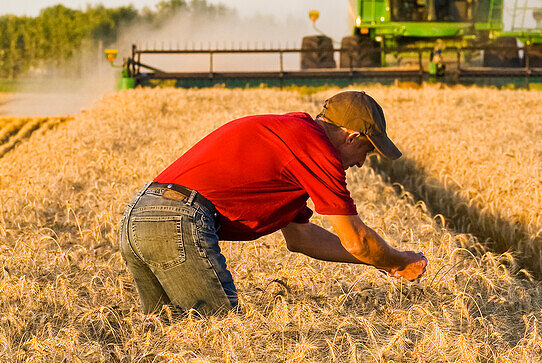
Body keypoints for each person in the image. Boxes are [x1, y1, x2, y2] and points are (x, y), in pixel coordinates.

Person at [119, 90, 427, 315]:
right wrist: (398, 261)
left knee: (169, 337)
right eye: (366, 151)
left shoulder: (292, 138)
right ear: (352, 137)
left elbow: (302, 239)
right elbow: (356, 239)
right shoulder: (315, 148)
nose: (360, 163)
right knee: (220, 339)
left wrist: (382, 263)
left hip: (139, 217)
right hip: (177, 220)